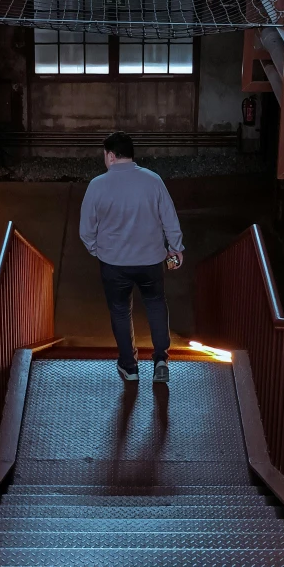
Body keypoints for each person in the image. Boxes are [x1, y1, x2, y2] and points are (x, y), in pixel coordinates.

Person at [79, 131, 184, 384]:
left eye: (105, 155)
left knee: (120, 311)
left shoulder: (97, 185)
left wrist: (97, 250)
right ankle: (160, 360)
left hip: (113, 264)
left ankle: (130, 366)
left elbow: (86, 230)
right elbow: (169, 219)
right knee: (156, 305)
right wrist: (175, 247)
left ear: (112, 156)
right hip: (150, 261)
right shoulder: (153, 180)